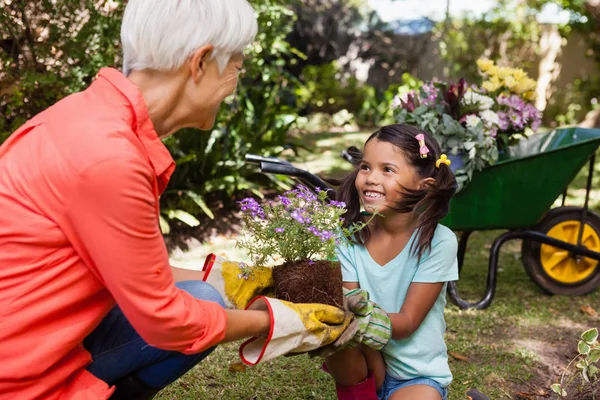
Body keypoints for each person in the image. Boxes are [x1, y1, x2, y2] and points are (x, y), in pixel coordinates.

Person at [0, 1, 349, 399]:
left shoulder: (86, 120)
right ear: (200, 62)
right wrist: (276, 321)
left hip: (33, 332)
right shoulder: (107, 158)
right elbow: (165, 321)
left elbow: (132, 273)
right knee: (197, 311)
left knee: (204, 295)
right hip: (18, 368)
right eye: (236, 64)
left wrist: (236, 277)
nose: (237, 82)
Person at [324, 123, 460, 400]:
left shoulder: (438, 241)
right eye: (365, 167)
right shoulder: (347, 236)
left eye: (387, 169)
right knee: (338, 336)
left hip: (417, 376)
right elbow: (347, 308)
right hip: (364, 362)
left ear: (425, 186)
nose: (371, 178)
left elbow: (408, 321)